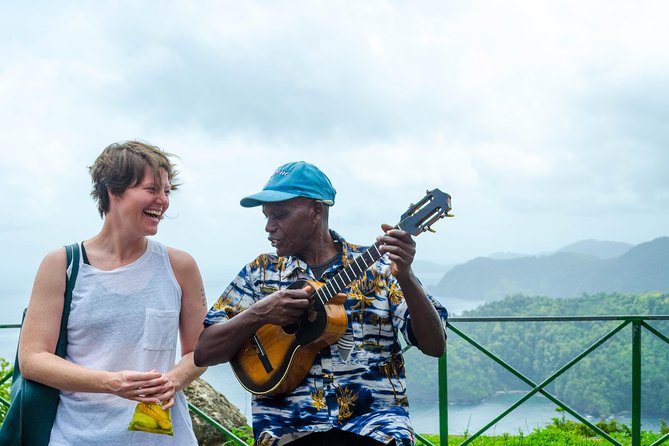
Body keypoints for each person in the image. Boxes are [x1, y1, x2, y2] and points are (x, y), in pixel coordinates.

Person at [194, 161, 447, 446]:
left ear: (315, 211)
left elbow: (434, 345)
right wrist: (260, 312)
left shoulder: (379, 271)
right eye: (266, 216)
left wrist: (407, 277)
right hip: (286, 428)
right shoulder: (259, 272)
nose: (269, 227)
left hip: (373, 425)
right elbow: (203, 353)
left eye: (279, 215)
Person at [18, 141, 207, 445]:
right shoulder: (63, 265)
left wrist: (173, 380)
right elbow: (32, 359)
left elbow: (200, 351)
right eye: (151, 189)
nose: (163, 201)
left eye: (167, 191)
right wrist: (113, 383)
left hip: (161, 438)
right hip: (78, 436)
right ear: (113, 191)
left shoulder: (179, 266)